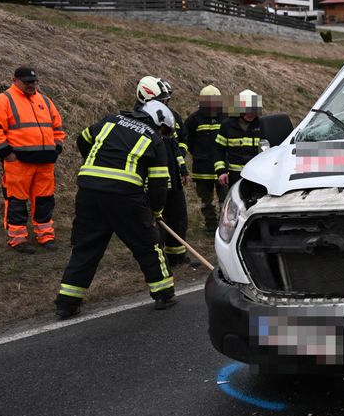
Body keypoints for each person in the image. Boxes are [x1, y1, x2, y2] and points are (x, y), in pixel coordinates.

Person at [54, 100, 175, 319]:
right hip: (125, 195)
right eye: (164, 129)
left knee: (86, 247)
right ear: (157, 120)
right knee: (148, 244)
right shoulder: (154, 139)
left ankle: (67, 302)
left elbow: (82, 140)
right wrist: (155, 212)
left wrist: (95, 162)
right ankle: (164, 294)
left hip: (89, 190)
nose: (162, 133)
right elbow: (158, 184)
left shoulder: (109, 121)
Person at [0, 67, 65, 253]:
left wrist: (57, 148)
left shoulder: (45, 100)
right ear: (14, 80)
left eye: (33, 81)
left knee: (45, 200)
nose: (30, 85)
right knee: (16, 201)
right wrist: (7, 154)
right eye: (26, 81)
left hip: (45, 163)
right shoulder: (3, 100)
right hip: (18, 163)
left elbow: (58, 128)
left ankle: (46, 236)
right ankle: (17, 239)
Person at [134, 76, 190, 268]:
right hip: (154, 182)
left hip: (172, 177)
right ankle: (159, 260)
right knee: (156, 222)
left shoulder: (166, 116)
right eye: (161, 100)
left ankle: (178, 256)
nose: (165, 103)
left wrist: (182, 168)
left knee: (179, 217)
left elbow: (174, 145)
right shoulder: (138, 120)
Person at [186, 84, 226, 234]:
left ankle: (224, 228)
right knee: (205, 201)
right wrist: (198, 153)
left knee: (226, 200)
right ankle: (210, 226)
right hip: (202, 170)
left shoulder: (226, 117)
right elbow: (187, 140)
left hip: (222, 169)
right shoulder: (194, 119)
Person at [215, 89, 265, 187]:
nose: (253, 114)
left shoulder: (262, 125)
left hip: (257, 176)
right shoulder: (227, 125)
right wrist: (221, 172)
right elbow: (218, 150)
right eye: (250, 111)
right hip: (234, 176)